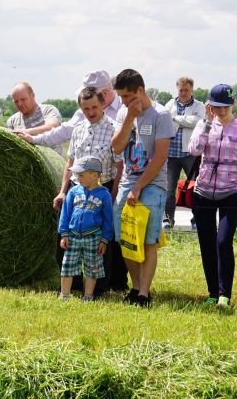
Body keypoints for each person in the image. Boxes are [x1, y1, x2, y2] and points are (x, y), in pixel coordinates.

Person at [111, 69, 176, 307]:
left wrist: (138, 187)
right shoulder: (123, 113)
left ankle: (144, 294)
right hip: (128, 180)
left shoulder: (161, 115)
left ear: (140, 90)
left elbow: (160, 158)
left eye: (127, 96)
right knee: (125, 237)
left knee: (148, 239)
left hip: (152, 183)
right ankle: (135, 285)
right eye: (121, 97)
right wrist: (129, 118)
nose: (124, 101)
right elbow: (116, 148)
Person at [188, 84, 237, 307]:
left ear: (233, 104)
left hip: (231, 192)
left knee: (223, 241)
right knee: (206, 243)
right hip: (203, 192)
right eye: (215, 107)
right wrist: (207, 123)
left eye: (224, 107)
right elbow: (194, 150)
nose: (220, 111)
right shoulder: (204, 124)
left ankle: (224, 293)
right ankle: (212, 293)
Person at [54, 86, 125, 295]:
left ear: (103, 103)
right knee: (66, 235)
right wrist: (62, 191)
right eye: (86, 108)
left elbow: (120, 166)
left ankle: (103, 286)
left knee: (103, 239)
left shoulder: (114, 129)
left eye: (94, 107)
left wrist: (112, 196)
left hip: (103, 187)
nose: (91, 112)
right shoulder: (78, 130)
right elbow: (70, 162)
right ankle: (70, 283)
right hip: (77, 189)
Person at [18, 70, 123, 148]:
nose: (90, 112)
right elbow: (64, 131)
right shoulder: (83, 113)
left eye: (90, 95)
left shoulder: (125, 109)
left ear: (104, 93)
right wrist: (33, 139)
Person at [58, 157, 114, 301]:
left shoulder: (104, 194)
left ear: (95, 175)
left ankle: (88, 295)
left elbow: (108, 219)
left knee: (92, 268)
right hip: (73, 236)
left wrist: (105, 239)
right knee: (67, 265)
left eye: (81, 175)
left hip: (94, 236)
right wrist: (64, 233)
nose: (78, 178)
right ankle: (64, 295)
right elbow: (65, 213)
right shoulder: (74, 191)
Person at [163, 77, 205, 230]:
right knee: (169, 189)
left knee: (195, 187)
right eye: (181, 90)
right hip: (171, 153)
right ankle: (168, 219)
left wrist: (175, 119)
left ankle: (196, 219)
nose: (184, 93)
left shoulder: (199, 106)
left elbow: (198, 121)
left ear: (192, 89)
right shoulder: (170, 104)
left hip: (190, 153)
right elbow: (164, 121)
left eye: (186, 90)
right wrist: (184, 122)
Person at [5, 82, 63, 154]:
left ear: (32, 95)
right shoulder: (12, 121)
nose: (19, 104)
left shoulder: (48, 110)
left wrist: (26, 132)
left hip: (51, 163)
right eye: (16, 101)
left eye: (23, 99)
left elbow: (53, 127)